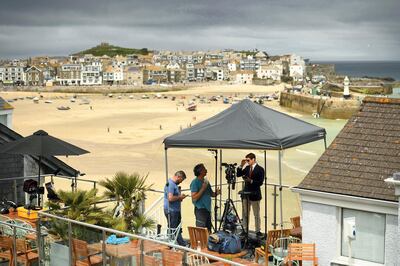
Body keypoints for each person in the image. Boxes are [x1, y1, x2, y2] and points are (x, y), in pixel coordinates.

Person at [236, 153, 264, 236]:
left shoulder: (260, 169)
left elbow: (260, 182)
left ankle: (257, 230)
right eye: (246, 160)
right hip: (246, 193)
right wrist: (241, 165)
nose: (247, 162)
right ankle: (245, 229)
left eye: (248, 160)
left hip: (255, 194)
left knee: (256, 214)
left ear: (253, 159)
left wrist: (251, 181)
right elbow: (238, 174)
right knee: (245, 213)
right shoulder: (247, 168)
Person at [190, 163, 220, 232]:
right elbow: (194, 198)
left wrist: (217, 193)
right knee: (201, 230)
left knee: (208, 229)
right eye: (204, 169)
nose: (206, 170)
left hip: (207, 209)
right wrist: (202, 188)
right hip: (200, 209)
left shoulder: (206, 182)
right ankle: (200, 242)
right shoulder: (195, 182)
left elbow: (211, 194)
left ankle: (208, 242)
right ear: (200, 171)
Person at [164, 170, 188, 246]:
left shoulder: (173, 184)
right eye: (182, 180)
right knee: (173, 228)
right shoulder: (171, 184)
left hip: (174, 210)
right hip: (171, 210)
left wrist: (180, 198)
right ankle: (172, 244)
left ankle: (180, 243)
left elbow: (173, 197)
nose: (181, 182)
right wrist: (180, 197)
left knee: (176, 228)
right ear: (178, 177)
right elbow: (170, 198)